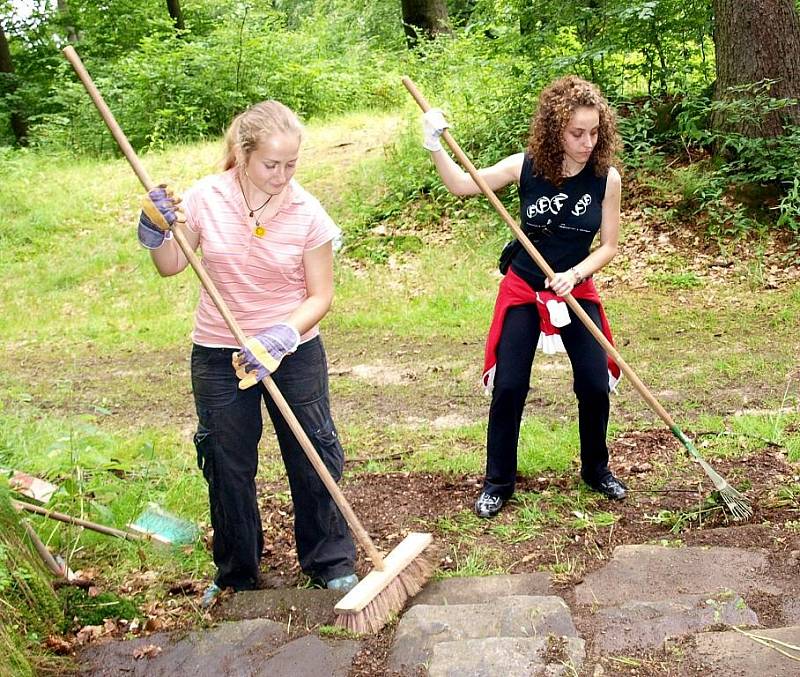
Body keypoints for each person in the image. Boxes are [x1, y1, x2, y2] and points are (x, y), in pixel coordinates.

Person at [136, 100, 358, 605]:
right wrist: (155, 231)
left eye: (291, 165)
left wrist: (279, 337)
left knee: (313, 450)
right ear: (242, 153)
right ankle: (237, 571)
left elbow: (320, 296)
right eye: (271, 165)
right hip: (218, 349)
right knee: (225, 460)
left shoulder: (307, 213)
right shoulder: (206, 198)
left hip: (292, 350)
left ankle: (329, 561)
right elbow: (172, 264)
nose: (282, 176)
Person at [422, 75, 626, 518]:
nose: (587, 141)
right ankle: (498, 481)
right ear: (555, 130)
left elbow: (608, 246)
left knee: (594, 384)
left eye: (594, 132)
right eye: (577, 133)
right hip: (523, 287)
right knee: (510, 386)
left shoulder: (605, 179)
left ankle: (596, 469)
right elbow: (461, 184)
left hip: (575, 286)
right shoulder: (525, 166)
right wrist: (434, 144)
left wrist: (575, 272)